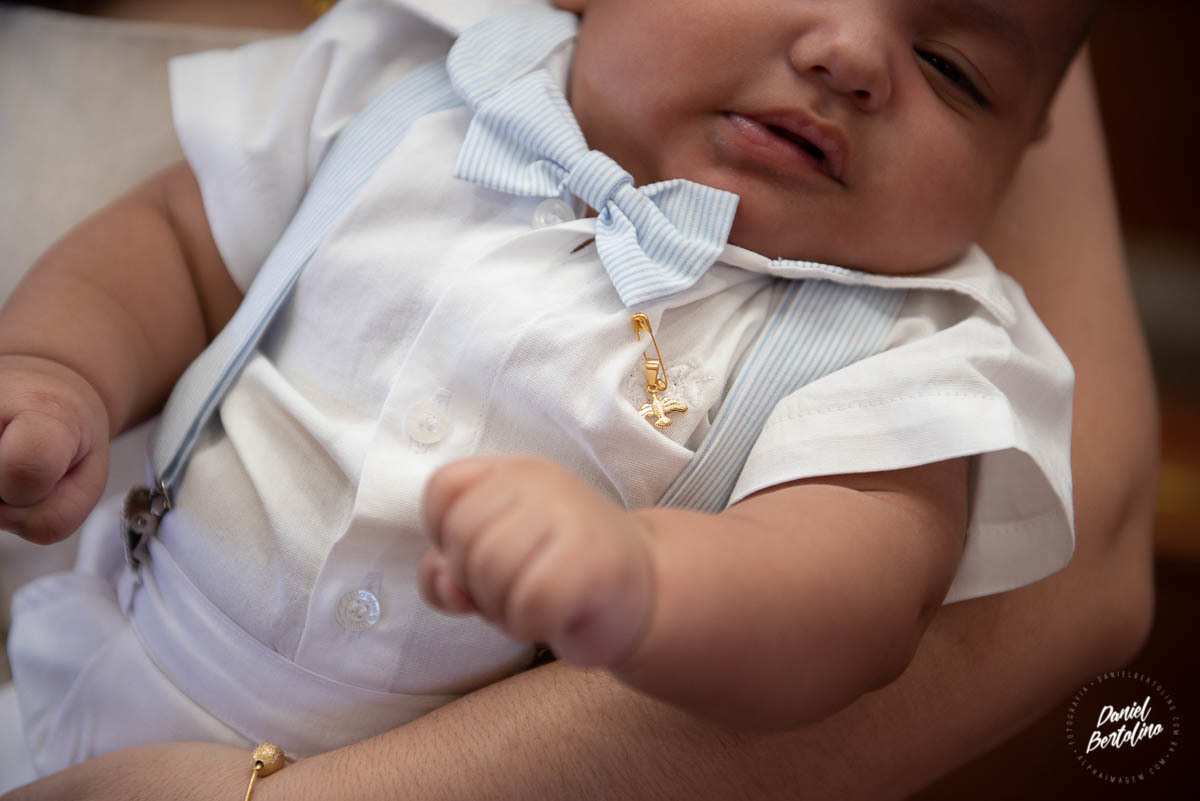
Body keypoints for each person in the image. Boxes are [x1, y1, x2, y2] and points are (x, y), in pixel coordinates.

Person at [0, 0, 1158, 798]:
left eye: (955, 71)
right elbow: (177, 241)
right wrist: (60, 370)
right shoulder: (414, 86)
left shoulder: (911, 355)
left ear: (1023, 152)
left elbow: (862, 598)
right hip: (77, 674)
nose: (851, 53)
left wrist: (650, 584)